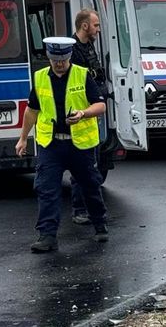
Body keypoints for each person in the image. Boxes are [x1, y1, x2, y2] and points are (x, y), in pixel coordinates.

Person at [16, 37, 109, 253]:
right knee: (47, 189)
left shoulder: (82, 74)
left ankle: (100, 225)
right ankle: (47, 236)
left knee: (90, 186)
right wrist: (22, 138)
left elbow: (100, 105)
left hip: (81, 145)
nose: (59, 64)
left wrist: (83, 113)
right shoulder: (40, 78)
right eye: (55, 60)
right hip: (51, 144)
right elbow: (32, 111)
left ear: (69, 57)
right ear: (49, 57)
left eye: (63, 60)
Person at [70, 9, 106, 225]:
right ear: (85, 26)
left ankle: (89, 207)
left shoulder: (87, 46)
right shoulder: (73, 50)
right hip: (81, 114)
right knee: (81, 166)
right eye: (96, 25)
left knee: (92, 164)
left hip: (91, 111)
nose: (98, 30)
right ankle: (79, 209)